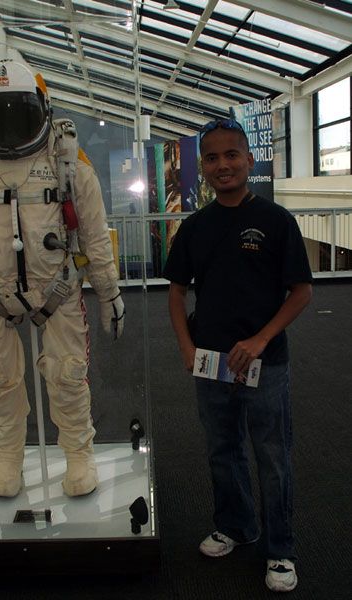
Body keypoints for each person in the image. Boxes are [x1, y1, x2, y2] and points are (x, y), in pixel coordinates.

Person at [0, 59, 125, 499]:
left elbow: (93, 233)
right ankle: (10, 458)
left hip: (55, 287)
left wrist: (109, 292)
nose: (9, 124)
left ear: (43, 108)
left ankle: (78, 454)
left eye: (19, 111)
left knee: (68, 375)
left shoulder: (68, 159)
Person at [163, 119, 312, 593]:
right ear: (203, 167)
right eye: (212, 158)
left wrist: (261, 339)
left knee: (272, 456)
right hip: (211, 364)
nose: (222, 165)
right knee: (221, 451)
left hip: (265, 364)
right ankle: (236, 525)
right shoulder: (194, 227)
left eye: (232, 155)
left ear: (249, 160)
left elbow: (302, 292)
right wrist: (187, 347)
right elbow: (175, 291)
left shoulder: (276, 221)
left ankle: (281, 549)